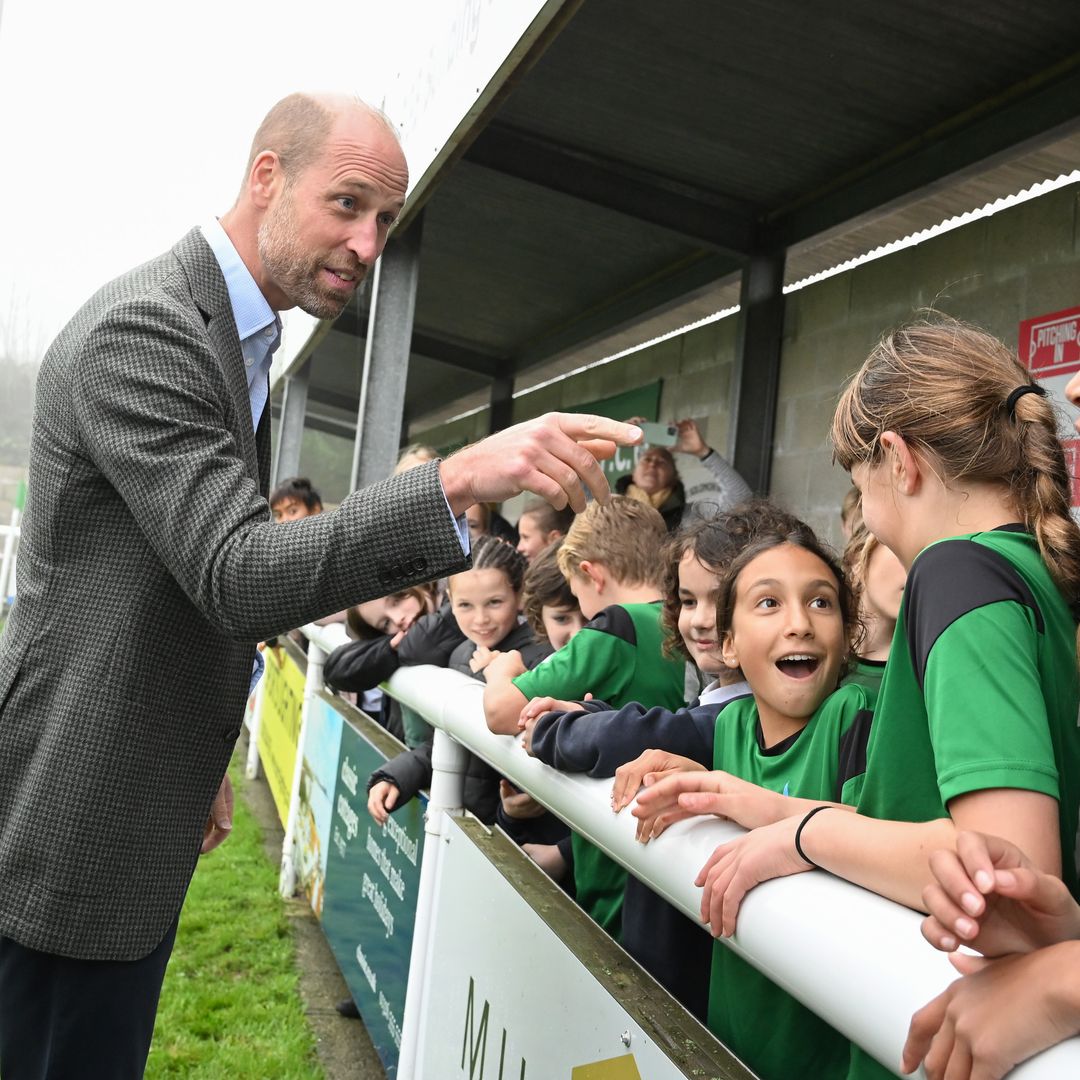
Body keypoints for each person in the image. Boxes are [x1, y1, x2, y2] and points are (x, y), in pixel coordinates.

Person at [0, 90, 642, 1078]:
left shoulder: (227, 333)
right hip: (69, 821)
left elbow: (165, 584)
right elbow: (237, 573)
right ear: (268, 177)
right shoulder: (150, 329)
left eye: (385, 220)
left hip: (122, 802)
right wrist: (458, 481)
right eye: (347, 204)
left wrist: (192, 760)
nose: (368, 241)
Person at [662, 316, 1080, 1079]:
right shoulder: (1039, 574)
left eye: (856, 482)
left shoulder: (957, 571)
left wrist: (802, 839)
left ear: (896, 460)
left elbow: (1008, 879)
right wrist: (756, 804)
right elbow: (917, 821)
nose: (865, 511)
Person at [622, 516, 870, 1079]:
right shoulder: (730, 724)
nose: (800, 624)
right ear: (728, 643)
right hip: (726, 1041)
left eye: (822, 603)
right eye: (768, 603)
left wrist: (739, 798)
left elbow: (872, 839)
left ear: (848, 630)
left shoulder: (850, 714)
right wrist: (700, 784)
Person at [483, 496, 686, 940]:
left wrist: (504, 669)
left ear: (591, 573)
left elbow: (501, 711)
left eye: (576, 593)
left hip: (612, 866)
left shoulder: (617, 625)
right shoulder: (673, 620)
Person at [366, 537, 548, 826]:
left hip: (516, 835)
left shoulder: (544, 657)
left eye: (495, 602)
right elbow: (448, 738)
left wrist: (503, 679)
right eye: (465, 605)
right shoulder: (461, 653)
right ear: (449, 600)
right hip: (462, 826)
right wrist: (398, 776)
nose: (480, 619)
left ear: (520, 594)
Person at [617, 417, 751, 530]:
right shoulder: (609, 505)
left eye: (662, 462)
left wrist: (703, 452)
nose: (653, 464)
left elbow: (740, 500)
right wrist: (615, 436)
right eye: (647, 459)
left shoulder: (691, 515)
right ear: (633, 474)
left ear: (674, 478)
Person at [840, 520, 906, 696]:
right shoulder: (819, 651)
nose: (915, 566)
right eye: (902, 549)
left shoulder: (931, 668)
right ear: (857, 559)